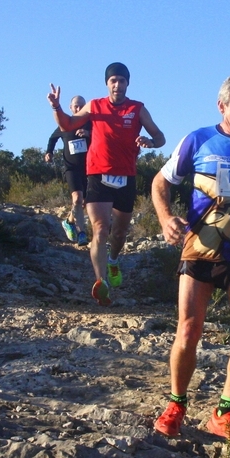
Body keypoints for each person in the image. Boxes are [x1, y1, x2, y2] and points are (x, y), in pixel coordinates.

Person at [151, 73, 230, 447]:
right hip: (200, 250)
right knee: (189, 330)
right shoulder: (198, 139)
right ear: (222, 105)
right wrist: (164, 218)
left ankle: (225, 412)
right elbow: (161, 183)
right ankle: (176, 403)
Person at [47, 62, 165, 306]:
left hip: (126, 177)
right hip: (98, 175)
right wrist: (57, 106)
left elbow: (160, 137)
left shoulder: (138, 109)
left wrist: (149, 143)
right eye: (113, 80)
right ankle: (101, 282)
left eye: (122, 80)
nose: (117, 85)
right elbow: (67, 125)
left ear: (127, 83)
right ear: (107, 83)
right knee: (100, 229)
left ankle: (113, 260)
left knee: (119, 233)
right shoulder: (95, 105)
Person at [45, 95, 91, 246]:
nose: (78, 108)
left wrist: (89, 134)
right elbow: (53, 138)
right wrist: (49, 152)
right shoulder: (64, 125)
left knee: (83, 203)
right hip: (71, 168)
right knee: (77, 199)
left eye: (81, 106)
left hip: (88, 168)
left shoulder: (91, 124)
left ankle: (69, 222)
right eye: (76, 106)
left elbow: (103, 138)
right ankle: (82, 234)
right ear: (71, 108)